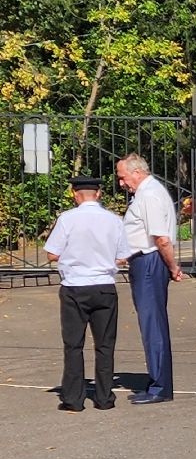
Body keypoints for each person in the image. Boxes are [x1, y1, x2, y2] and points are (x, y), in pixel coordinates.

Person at [44, 175, 129, 412]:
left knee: (73, 344)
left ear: (75, 194)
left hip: (74, 286)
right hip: (104, 286)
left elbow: (52, 253)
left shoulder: (67, 219)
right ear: (99, 194)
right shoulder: (114, 220)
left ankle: (73, 399)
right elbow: (122, 255)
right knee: (104, 345)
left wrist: (74, 256)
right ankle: (104, 397)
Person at [115, 153, 182, 404]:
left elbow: (161, 238)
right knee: (150, 323)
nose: (122, 183)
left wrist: (173, 266)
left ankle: (160, 386)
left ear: (136, 173)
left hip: (149, 263)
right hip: (145, 260)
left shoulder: (149, 195)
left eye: (122, 177)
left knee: (153, 324)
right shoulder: (146, 194)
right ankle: (157, 379)